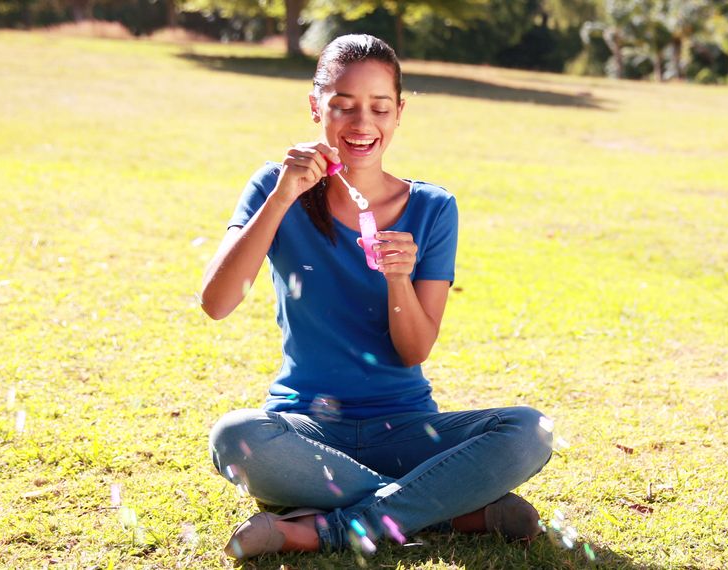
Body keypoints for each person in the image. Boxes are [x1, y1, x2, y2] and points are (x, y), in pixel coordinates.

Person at [201, 34, 553, 559]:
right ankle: (450, 509)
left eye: (379, 107)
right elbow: (217, 302)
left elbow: (413, 350)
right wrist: (281, 198)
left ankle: (326, 529)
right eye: (342, 105)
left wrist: (397, 279)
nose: (361, 124)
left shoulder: (433, 208)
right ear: (315, 105)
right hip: (306, 427)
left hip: (409, 428)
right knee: (235, 436)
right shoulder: (274, 187)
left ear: (398, 113)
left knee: (530, 430)